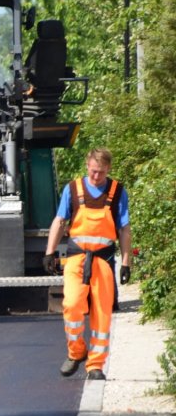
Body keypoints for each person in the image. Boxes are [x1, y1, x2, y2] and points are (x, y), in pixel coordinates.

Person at [44, 148, 132, 381]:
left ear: (108, 169)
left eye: (101, 173)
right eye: (93, 171)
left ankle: (95, 365)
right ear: (87, 166)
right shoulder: (73, 189)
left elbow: (124, 229)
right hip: (76, 258)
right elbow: (60, 220)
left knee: (102, 314)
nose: (96, 176)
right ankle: (76, 352)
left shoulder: (117, 191)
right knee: (72, 305)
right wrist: (49, 252)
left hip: (103, 261)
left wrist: (126, 263)